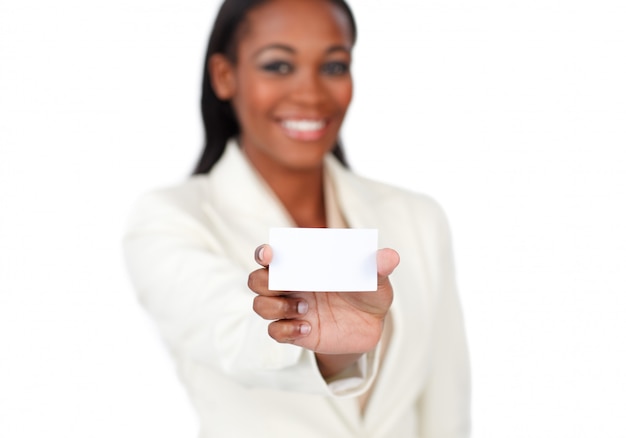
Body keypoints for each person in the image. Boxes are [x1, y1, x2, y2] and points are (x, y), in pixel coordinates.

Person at [122, 0, 471, 436]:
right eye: (279, 66)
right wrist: (329, 350)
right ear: (224, 76)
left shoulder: (418, 219)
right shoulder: (171, 218)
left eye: (334, 67)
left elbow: (446, 406)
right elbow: (228, 331)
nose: (311, 93)